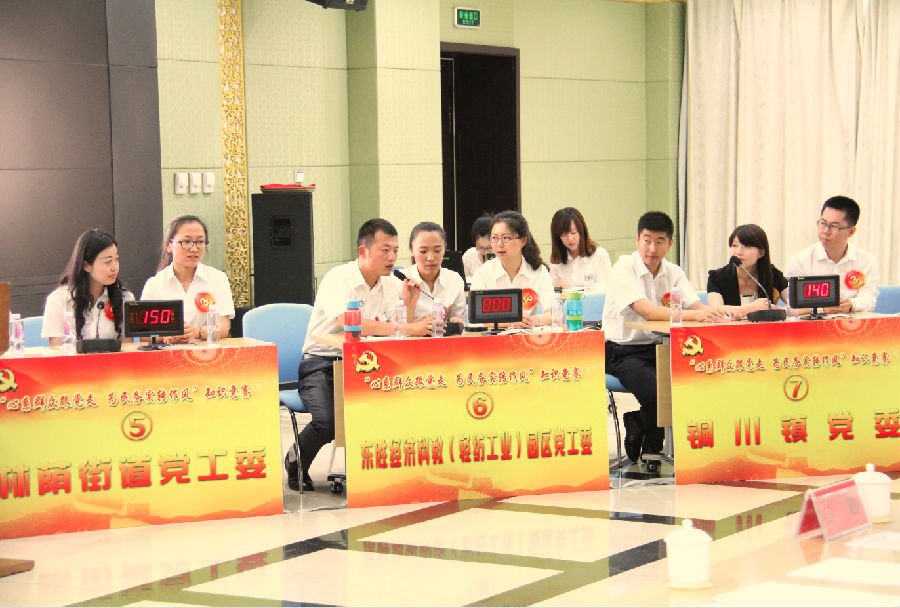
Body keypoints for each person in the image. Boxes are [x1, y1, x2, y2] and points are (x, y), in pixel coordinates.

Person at [293, 218, 428, 491]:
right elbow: (348, 322)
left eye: (395, 250)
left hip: (368, 364)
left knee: (406, 406)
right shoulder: (338, 278)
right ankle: (295, 462)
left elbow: (393, 331)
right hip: (322, 363)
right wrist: (408, 327)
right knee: (326, 422)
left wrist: (409, 305)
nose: (392, 258)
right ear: (363, 251)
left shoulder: (390, 284)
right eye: (385, 250)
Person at [602, 211, 725, 471]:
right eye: (647, 240)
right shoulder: (624, 268)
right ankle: (652, 450)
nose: (652, 248)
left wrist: (715, 314)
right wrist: (695, 315)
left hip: (662, 347)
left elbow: (697, 306)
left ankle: (638, 422)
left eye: (659, 241)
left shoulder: (674, 272)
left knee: (697, 378)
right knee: (657, 390)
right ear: (637, 240)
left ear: (670, 243)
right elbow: (647, 311)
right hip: (622, 351)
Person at [141, 215, 235, 343]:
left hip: (205, 351)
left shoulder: (217, 278)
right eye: (186, 242)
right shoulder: (154, 284)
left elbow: (224, 328)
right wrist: (165, 336)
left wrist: (196, 332)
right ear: (169, 245)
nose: (194, 248)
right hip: (168, 351)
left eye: (200, 242)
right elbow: (144, 334)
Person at [785, 195, 879, 313]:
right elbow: (793, 306)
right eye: (823, 223)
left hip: (852, 322)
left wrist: (851, 304)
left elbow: (869, 299)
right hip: (814, 322)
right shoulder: (800, 260)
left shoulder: (866, 261)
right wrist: (823, 309)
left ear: (851, 231)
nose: (826, 231)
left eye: (834, 226)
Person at [42, 229, 134, 345]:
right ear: (86, 265)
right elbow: (57, 351)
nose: (114, 267)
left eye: (116, 259)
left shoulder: (125, 299)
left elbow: (127, 349)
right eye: (108, 261)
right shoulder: (58, 300)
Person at [469, 210, 554, 328]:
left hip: (527, 336)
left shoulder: (539, 271)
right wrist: (512, 322)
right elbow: (477, 318)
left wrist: (534, 320)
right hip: (495, 337)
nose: (499, 244)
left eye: (506, 238)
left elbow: (554, 312)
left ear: (523, 241)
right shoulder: (482, 273)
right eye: (494, 238)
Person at [706, 224, 788, 318]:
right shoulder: (717, 277)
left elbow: (798, 305)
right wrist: (752, 308)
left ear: (761, 253)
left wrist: (778, 312)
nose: (739, 252)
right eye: (735, 245)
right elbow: (716, 311)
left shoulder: (773, 274)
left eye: (747, 246)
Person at [406, 221, 467, 323]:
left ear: (444, 250)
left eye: (437, 251)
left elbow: (461, 322)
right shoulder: (400, 281)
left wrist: (455, 322)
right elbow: (393, 326)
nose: (430, 258)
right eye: (423, 251)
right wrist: (418, 325)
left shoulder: (454, 280)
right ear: (411, 250)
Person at [549, 207, 611, 290]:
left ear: (582, 230)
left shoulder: (599, 255)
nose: (570, 239)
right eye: (564, 234)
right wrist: (555, 287)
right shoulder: (557, 259)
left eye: (573, 232)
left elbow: (607, 288)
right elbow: (549, 291)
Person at [461, 213, 494, 282]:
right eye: (481, 248)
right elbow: (462, 280)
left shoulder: (501, 257)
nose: (485, 253)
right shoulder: (469, 255)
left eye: (489, 248)